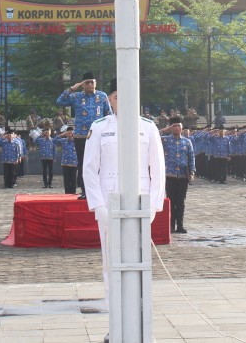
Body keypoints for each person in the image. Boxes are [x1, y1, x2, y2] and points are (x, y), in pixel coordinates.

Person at [83, 77, 165, 342]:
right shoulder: (100, 128)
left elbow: (158, 170)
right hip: (109, 204)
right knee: (112, 264)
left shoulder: (148, 128)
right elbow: (89, 169)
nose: (121, 100)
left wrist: (153, 205)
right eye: (116, 96)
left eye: (127, 95)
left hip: (140, 205)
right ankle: (115, 322)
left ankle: (140, 323)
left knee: (141, 265)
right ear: (110, 99)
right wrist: (97, 206)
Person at [56, 71, 111, 199]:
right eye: (87, 82)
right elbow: (60, 101)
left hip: (99, 136)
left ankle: (101, 191)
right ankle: (86, 191)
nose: (90, 84)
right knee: (83, 164)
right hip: (81, 136)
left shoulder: (102, 96)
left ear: (96, 83)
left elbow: (109, 115)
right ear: (82, 85)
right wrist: (72, 88)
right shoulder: (76, 96)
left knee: (101, 164)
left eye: (92, 82)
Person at [160, 115, 196, 233]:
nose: (176, 128)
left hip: (182, 176)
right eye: (174, 126)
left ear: (182, 128)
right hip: (169, 175)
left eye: (178, 126)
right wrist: (164, 130)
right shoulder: (165, 140)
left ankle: (180, 225)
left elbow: (191, 157)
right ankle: (171, 225)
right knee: (170, 201)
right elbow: (153, 135)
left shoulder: (187, 142)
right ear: (171, 127)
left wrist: (192, 171)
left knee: (181, 202)